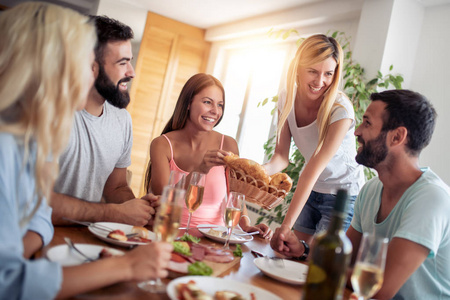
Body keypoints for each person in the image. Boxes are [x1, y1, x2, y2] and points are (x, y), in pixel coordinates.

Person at [0, 3, 172, 299]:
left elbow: (36, 209)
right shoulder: (13, 140)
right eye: (85, 63)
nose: (131, 72)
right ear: (48, 66)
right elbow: (8, 283)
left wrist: (137, 211)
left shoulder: (23, 137)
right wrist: (126, 266)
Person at [272, 89, 450, 299]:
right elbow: (345, 262)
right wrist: (303, 250)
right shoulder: (371, 190)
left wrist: (323, 263)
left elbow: (379, 288)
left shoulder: (431, 198)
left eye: (367, 123)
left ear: (397, 137)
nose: (356, 132)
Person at [51, 15, 157, 226]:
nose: (132, 73)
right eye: (122, 63)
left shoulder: (122, 120)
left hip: (92, 237)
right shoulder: (50, 114)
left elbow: (116, 187)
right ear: (92, 66)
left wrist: (140, 210)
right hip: (42, 236)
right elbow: (31, 204)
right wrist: (113, 214)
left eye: (131, 61)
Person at [267, 34, 364, 254]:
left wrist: (285, 225)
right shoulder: (286, 98)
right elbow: (281, 157)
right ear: (298, 68)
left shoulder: (340, 110)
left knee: (319, 262)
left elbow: (313, 168)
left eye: (328, 74)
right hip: (313, 190)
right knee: (290, 255)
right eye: (313, 71)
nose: (320, 82)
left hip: (344, 195)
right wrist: (257, 171)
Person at [145, 73, 272, 238]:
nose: (215, 111)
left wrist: (246, 224)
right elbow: (164, 199)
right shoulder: (162, 145)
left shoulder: (228, 145)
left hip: (215, 239)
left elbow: (235, 196)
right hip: (170, 235)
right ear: (188, 103)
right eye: (207, 102)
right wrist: (200, 170)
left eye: (220, 105)